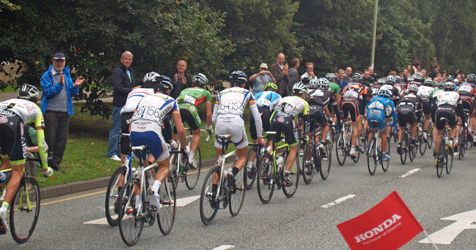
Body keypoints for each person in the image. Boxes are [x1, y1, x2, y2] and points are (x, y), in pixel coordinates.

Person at [129, 75, 188, 213]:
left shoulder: (144, 99)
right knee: (164, 166)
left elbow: (133, 120)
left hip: (134, 132)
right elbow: (179, 129)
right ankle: (154, 189)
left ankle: (137, 205)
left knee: (140, 170)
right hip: (152, 131)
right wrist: (184, 148)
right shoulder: (171, 101)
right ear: (169, 90)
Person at [0, 84, 54, 234]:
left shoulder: (10, 101)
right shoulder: (36, 110)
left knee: (5, 163)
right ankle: (3, 209)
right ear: (35, 100)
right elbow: (42, 143)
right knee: (18, 171)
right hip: (12, 124)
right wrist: (45, 167)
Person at [211, 70, 265, 199]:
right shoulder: (247, 93)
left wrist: (219, 128)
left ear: (230, 84)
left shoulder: (221, 93)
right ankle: (232, 173)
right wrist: (259, 137)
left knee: (218, 160)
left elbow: (213, 117)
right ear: (244, 84)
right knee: (242, 156)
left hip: (220, 123)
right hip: (236, 122)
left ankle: (213, 192)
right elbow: (257, 117)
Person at [40, 52, 84, 172]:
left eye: (62, 61)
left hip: (65, 111)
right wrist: (59, 85)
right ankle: (46, 163)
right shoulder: (47, 75)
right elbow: (48, 92)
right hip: (50, 111)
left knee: (61, 139)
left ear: (64, 62)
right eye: (57, 61)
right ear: (53, 62)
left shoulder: (66, 74)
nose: (59, 63)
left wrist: (75, 86)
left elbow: (71, 93)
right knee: (49, 138)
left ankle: (56, 163)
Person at [270, 82, 310, 184]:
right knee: (293, 147)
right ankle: (286, 173)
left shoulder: (284, 98)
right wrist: (305, 135)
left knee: (274, 142)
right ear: (303, 95)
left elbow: (272, 108)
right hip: (288, 121)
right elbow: (307, 121)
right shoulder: (304, 103)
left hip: (273, 119)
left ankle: (270, 158)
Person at [176, 73, 214, 168]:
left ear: (193, 84)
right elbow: (209, 114)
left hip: (177, 109)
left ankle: (175, 159)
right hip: (190, 109)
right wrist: (209, 128)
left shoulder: (185, 90)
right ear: (204, 85)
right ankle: (191, 158)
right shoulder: (206, 93)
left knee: (176, 135)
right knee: (196, 133)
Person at [118, 72, 157, 164]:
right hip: (138, 114)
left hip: (125, 114)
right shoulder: (154, 93)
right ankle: (144, 168)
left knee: (125, 138)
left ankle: (123, 170)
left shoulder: (134, 91)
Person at [107, 51, 135, 161]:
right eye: (126, 59)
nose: (128, 61)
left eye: (130, 59)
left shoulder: (130, 71)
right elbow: (117, 87)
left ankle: (120, 152)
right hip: (119, 104)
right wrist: (131, 91)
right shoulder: (118, 72)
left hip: (127, 105)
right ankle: (112, 152)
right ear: (121, 59)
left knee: (123, 130)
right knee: (116, 128)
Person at [433, 81, 465, 165]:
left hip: (440, 111)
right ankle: (450, 141)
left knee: (439, 134)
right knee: (454, 126)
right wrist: (464, 121)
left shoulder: (439, 94)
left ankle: (437, 156)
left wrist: (434, 119)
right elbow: (460, 109)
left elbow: (434, 107)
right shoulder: (456, 95)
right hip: (451, 111)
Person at [340, 73, 369, 157]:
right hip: (354, 103)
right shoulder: (363, 87)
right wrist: (362, 113)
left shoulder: (347, 86)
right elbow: (364, 101)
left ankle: (344, 136)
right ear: (361, 81)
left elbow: (341, 97)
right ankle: (352, 148)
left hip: (344, 103)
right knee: (355, 125)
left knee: (345, 121)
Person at [365, 88, 397, 161]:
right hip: (380, 116)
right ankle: (383, 154)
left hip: (370, 115)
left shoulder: (374, 99)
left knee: (372, 131)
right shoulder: (390, 101)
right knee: (383, 133)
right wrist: (393, 124)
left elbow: (366, 107)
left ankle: (368, 147)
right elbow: (393, 115)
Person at [396, 84, 423, 154]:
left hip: (401, 111)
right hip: (410, 112)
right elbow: (420, 109)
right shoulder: (418, 97)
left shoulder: (403, 96)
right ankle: (413, 140)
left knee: (401, 127)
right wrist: (418, 120)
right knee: (413, 124)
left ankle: (399, 142)